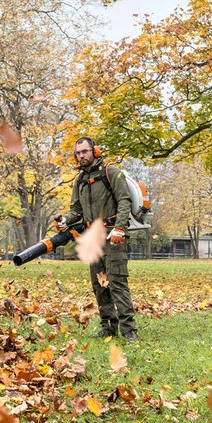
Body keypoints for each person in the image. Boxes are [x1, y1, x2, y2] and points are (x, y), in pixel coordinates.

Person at [59, 136, 137, 341]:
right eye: (78, 153)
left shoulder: (111, 172)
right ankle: (108, 326)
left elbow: (124, 201)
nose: (81, 155)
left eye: (84, 151)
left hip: (113, 236)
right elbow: (76, 209)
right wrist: (65, 219)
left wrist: (120, 228)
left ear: (95, 151)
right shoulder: (80, 180)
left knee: (117, 282)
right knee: (99, 284)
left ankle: (129, 330)